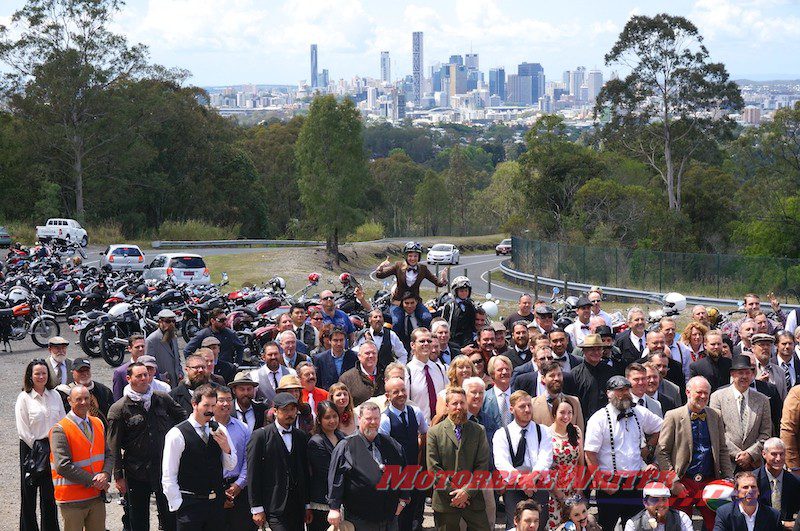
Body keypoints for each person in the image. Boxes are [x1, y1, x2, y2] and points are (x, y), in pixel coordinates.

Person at [108, 362, 186, 531]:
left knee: (169, 516)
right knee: (138, 519)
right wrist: (118, 476)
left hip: (163, 468)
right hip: (136, 471)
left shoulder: (162, 398)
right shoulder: (119, 409)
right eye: (139, 376)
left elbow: (183, 420)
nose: (144, 379)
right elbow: (113, 445)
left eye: (146, 375)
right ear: (129, 379)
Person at [583, 375, 663, 531]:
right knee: (607, 525)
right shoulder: (598, 419)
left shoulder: (640, 412)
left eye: (627, 390)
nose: (625, 393)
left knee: (637, 526)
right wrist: (601, 482)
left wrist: (650, 449)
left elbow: (663, 428)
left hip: (636, 482)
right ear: (609, 393)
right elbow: (590, 453)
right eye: (620, 390)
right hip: (610, 484)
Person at [656, 376, 732, 530]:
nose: (703, 396)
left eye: (706, 393)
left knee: (717, 525)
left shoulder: (715, 415)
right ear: (688, 392)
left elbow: (722, 449)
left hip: (710, 482)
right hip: (683, 481)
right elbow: (662, 451)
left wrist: (728, 478)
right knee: (680, 525)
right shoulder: (673, 415)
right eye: (699, 392)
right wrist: (674, 482)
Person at [162, 384, 237, 531]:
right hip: (190, 505)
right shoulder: (177, 434)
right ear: (194, 404)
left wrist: (226, 448)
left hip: (216, 506)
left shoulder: (219, 429)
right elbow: (168, 474)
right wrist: (178, 504)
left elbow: (231, 465)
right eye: (206, 405)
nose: (210, 410)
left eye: (213, 405)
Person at [327, 402, 408, 531]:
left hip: (389, 517)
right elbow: (336, 479)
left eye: (376, 418)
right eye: (368, 418)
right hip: (360, 518)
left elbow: (404, 473)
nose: (373, 422)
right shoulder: (346, 446)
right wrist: (334, 508)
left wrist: (403, 500)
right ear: (359, 419)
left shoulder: (393, 445)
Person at [49, 385, 114, 531]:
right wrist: (94, 481)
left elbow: (108, 454)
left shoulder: (98, 423)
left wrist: (105, 474)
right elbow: (62, 465)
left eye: (86, 398)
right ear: (69, 401)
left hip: (96, 497)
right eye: (78, 399)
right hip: (72, 499)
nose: (84, 402)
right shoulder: (60, 429)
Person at [426, 387, 492, 531]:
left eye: (462, 403)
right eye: (455, 403)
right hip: (445, 501)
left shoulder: (478, 430)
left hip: (473, 500)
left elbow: (482, 465)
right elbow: (434, 468)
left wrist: (467, 492)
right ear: (447, 406)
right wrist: (455, 494)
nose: (459, 407)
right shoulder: (434, 433)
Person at [16, 358, 66, 531]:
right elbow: (23, 430)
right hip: (31, 449)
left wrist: (56, 447)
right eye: (37, 373)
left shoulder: (55, 395)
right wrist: (39, 449)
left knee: (49, 496)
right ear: (30, 376)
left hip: (52, 448)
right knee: (28, 495)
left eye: (44, 373)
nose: (41, 376)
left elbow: (62, 422)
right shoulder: (24, 398)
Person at [493, 390, 553, 530]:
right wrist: (523, 481)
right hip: (514, 486)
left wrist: (531, 479)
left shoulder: (543, 431)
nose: (527, 409)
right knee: (515, 524)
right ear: (512, 409)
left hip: (538, 484)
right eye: (522, 406)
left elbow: (546, 458)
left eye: (529, 405)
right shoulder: (502, 434)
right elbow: (502, 463)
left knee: (538, 524)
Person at [379, 377, 429, 531]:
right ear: (388, 396)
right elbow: (382, 448)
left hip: (414, 470)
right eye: (396, 392)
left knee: (413, 511)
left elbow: (425, 433)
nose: (401, 394)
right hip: (396, 475)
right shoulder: (385, 419)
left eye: (403, 390)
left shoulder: (416, 412)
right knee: (398, 514)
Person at [709, 355, 771, 472]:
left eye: (748, 373)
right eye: (740, 373)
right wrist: (737, 454)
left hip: (754, 464)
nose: (744, 376)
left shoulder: (763, 400)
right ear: (732, 374)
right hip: (726, 463)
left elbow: (766, 433)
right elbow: (716, 431)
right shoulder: (717, 397)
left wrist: (750, 454)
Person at [374, 241, 448, 330]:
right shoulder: (398, 266)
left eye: (415, 256)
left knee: (427, 318)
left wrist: (443, 279)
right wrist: (380, 267)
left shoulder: (423, 269)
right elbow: (380, 275)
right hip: (398, 302)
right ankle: (397, 342)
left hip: (415, 302)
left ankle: (424, 339)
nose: (412, 258)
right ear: (406, 256)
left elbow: (438, 283)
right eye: (410, 256)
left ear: (419, 257)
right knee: (397, 322)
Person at [209, 386, 253, 530]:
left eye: (229, 400)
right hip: (213, 489)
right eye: (221, 400)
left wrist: (239, 484)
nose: (226, 404)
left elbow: (248, 459)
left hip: (238, 489)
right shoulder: (205, 428)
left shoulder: (243, 427)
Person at [307, 401, 345, 531]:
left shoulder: (342, 437)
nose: (332, 420)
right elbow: (327, 472)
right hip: (322, 500)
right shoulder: (316, 442)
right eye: (327, 417)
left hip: (341, 498)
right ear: (319, 420)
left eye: (335, 416)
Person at [547, 401, 585, 530]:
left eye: (569, 413)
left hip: (574, 488)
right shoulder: (547, 434)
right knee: (556, 525)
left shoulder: (576, 431)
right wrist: (560, 496)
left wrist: (579, 490)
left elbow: (581, 463)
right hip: (554, 490)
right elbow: (546, 468)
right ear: (554, 413)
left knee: (576, 525)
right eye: (562, 412)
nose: (566, 416)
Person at [713, 471, 781, 531]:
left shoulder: (773, 515)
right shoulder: (724, 513)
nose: (750, 491)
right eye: (745, 487)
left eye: (753, 487)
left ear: (758, 491)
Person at [530, 361, 585, 436]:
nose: (556, 378)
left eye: (559, 375)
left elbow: (580, 433)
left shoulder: (574, 402)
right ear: (543, 378)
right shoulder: (532, 404)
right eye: (552, 375)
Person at [570, 334, 617, 418]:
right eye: (592, 349)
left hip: (608, 420)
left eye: (599, 349)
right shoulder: (575, 374)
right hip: (584, 421)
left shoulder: (610, 371)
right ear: (584, 351)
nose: (596, 352)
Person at [756, 437, 800, 527]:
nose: (778, 458)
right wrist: (783, 524)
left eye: (781, 454)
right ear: (764, 454)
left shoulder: (795, 481)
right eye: (774, 454)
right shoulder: (754, 481)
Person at [406, 327, 447, 423]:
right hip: (420, 428)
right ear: (413, 345)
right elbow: (406, 404)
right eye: (422, 341)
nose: (426, 344)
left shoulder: (440, 369)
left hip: (441, 427)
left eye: (429, 341)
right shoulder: (407, 372)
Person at [57, 357, 114, 425]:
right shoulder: (64, 393)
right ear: (72, 372)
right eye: (80, 371)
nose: (85, 373)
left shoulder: (104, 391)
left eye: (87, 370)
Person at [623, 482, 693, 531]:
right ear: (645, 502)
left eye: (664, 499)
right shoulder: (633, 524)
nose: (661, 504)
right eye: (655, 500)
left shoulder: (681, 518)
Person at [338, 341, 385, 406]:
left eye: (374, 353)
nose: (371, 356)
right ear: (359, 356)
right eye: (367, 353)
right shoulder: (346, 378)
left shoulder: (386, 374)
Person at [434, 355, 476, 422]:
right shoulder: (444, 395)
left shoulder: (477, 393)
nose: (465, 370)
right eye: (461, 367)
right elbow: (440, 419)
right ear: (454, 371)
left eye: (468, 367)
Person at [147, 310, 182, 388]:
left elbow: (177, 358)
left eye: (173, 321)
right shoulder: (152, 340)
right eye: (168, 321)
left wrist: (180, 372)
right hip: (162, 384)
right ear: (160, 322)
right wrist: (160, 376)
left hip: (176, 381)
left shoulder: (174, 337)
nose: (171, 324)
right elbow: (148, 365)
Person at [752, 333, 788, 399]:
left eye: (768, 345)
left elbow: (784, 397)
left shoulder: (780, 371)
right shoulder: (747, 370)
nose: (765, 348)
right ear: (753, 348)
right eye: (762, 345)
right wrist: (757, 383)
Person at [113, 333, 146, 401]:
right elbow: (118, 399)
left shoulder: (151, 367)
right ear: (129, 349)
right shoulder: (120, 372)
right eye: (137, 347)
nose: (141, 349)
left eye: (143, 346)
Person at [660, 318, 692, 383]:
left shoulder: (684, 350)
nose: (671, 332)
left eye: (673, 329)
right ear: (660, 330)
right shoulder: (652, 348)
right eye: (667, 329)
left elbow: (687, 374)